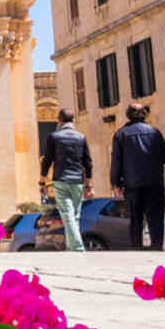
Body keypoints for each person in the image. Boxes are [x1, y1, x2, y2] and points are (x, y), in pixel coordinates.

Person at [110, 102, 165, 250]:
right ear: (144, 115)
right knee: (155, 218)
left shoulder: (120, 134)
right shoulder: (154, 132)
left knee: (135, 218)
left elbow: (116, 161)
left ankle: (137, 248)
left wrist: (115, 183)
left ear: (128, 115)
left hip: (132, 184)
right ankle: (157, 247)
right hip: (154, 183)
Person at [39, 107, 93, 252]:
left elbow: (47, 161)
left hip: (61, 180)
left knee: (68, 214)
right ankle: (71, 248)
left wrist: (42, 181)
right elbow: (87, 162)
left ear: (59, 121)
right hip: (77, 181)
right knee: (74, 216)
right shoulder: (81, 137)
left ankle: (77, 247)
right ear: (73, 120)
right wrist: (88, 184)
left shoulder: (54, 137)